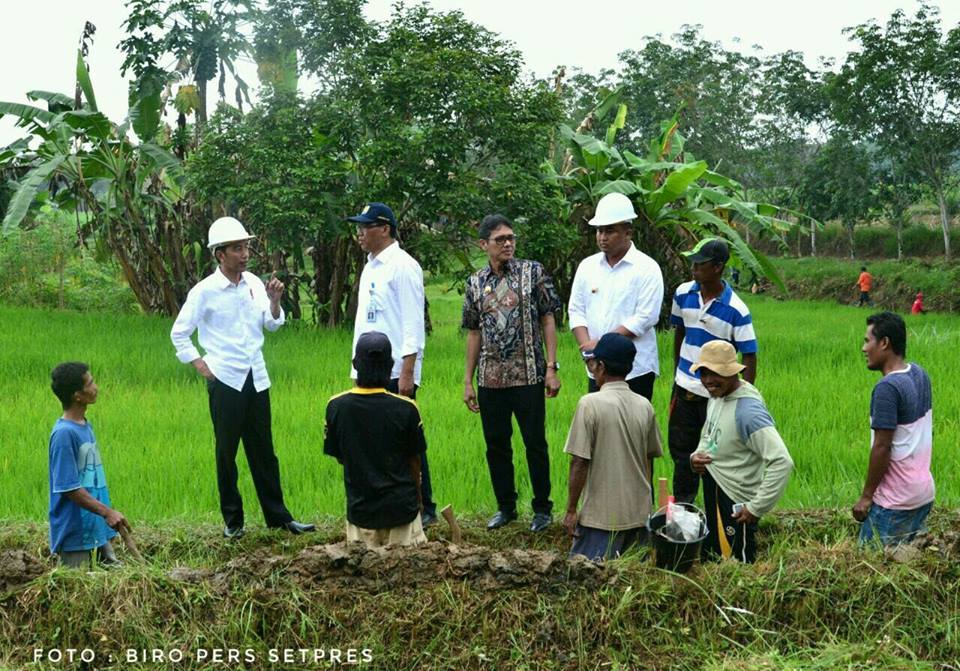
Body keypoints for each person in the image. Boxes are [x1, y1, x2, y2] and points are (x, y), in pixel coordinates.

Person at [171, 216, 314, 539]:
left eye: (246, 247)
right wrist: (201, 364)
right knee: (226, 452)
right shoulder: (204, 291)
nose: (245, 253)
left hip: (256, 377)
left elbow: (272, 324)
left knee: (264, 450)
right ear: (220, 254)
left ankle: (279, 517)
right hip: (225, 379)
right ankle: (233, 522)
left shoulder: (252, 283)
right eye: (237, 248)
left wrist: (275, 301)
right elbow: (179, 334)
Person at [462, 214, 561, 532]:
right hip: (490, 380)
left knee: (535, 443)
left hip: (529, 376)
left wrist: (551, 367)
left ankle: (542, 509)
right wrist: (468, 380)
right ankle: (505, 507)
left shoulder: (533, 272)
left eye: (511, 238)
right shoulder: (475, 283)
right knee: (496, 445)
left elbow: (548, 318)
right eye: (500, 239)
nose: (508, 244)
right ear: (483, 245)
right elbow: (474, 332)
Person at [348, 202, 437, 527]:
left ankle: (424, 506)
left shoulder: (403, 265)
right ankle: (385, 503)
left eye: (365, 226)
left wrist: (409, 371)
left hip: (397, 371)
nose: (359, 232)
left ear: (384, 229)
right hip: (367, 368)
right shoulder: (370, 265)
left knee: (406, 439)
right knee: (374, 439)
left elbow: (413, 322)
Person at [669, 237, 757, 504]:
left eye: (700, 264)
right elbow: (680, 332)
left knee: (714, 456)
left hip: (716, 396)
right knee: (682, 454)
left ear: (718, 267)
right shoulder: (683, 293)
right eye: (693, 263)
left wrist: (742, 395)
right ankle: (684, 514)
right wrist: (678, 372)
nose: (694, 269)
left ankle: (715, 515)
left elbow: (749, 354)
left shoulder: (736, 310)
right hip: (684, 389)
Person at [689, 341, 793, 563]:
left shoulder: (748, 412)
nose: (707, 380)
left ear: (730, 372)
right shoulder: (718, 396)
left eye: (715, 373)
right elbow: (708, 434)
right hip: (714, 489)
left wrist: (756, 508)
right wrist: (696, 456)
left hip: (735, 501)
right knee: (717, 558)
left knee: (737, 566)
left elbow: (782, 461)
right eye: (703, 373)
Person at [563, 333, 663, 561]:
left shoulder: (589, 404)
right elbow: (648, 460)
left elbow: (579, 462)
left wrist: (570, 510)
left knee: (585, 580)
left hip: (600, 520)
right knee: (634, 583)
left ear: (601, 367)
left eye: (593, 363)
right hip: (639, 519)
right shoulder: (644, 405)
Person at [325, 332, 428, 549]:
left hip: (360, 516)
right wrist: (419, 502)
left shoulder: (336, 407)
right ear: (391, 365)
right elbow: (415, 463)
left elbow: (342, 458)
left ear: (355, 364)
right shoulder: (407, 408)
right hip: (402, 515)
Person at [568, 192, 664, 401]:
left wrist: (600, 345)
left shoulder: (647, 268)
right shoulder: (587, 266)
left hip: (635, 369)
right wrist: (588, 350)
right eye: (599, 230)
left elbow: (646, 317)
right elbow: (576, 310)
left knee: (633, 429)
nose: (602, 237)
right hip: (597, 367)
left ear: (628, 232)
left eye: (610, 231)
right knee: (599, 427)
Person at [852, 312, 934, 547]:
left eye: (867, 341)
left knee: (869, 571)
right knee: (904, 567)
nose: (864, 348)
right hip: (922, 494)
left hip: (895, 501)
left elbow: (882, 447)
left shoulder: (887, 388)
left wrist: (866, 497)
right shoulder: (920, 374)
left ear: (885, 342)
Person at [48, 362, 129, 569]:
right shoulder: (64, 434)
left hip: (96, 526)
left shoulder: (85, 425)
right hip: (76, 531)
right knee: (77, 588)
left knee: (112, 585)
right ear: (78, 396)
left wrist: (106, 516)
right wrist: (107, 512)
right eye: (91, 383)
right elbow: (69, 488)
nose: (96, 387)